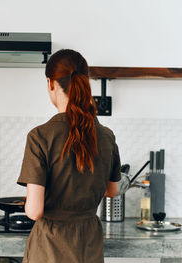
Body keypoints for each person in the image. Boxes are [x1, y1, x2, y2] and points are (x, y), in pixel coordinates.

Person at [17, 49, 121, 263]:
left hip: (50, 247)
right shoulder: (106, 136)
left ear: (51, 83)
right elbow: (112, 191)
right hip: (89, 244)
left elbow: (35, 211)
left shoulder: (40, 137)